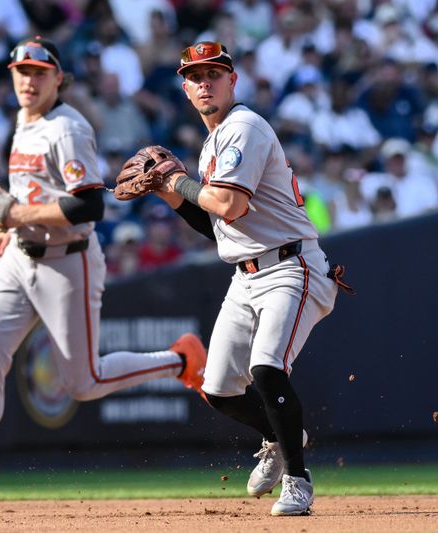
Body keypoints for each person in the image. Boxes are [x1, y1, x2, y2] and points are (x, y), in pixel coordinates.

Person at [0, 37, 206, 506]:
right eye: (21, 72)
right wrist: (8, 227)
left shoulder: (68, 128)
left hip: (68, 261)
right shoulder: (23, 121)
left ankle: (181, 360)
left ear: (59, 78)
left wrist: (16, 215)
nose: (28, 80)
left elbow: (88, 205)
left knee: (82, 382)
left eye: (38, 72)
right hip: (19, 255)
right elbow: (28, 193)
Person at [147, 41, 352, 516]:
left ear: (232, 80)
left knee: (265, 368)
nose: (204, 83)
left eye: (213, 73)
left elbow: (230, 205)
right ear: (184, 87)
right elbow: (218, 224)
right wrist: (171, 197)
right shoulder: (212, 144)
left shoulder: (244, 127)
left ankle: (298, 480)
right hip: (246, 274)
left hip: (291, 267)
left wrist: (177, 182)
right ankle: (281, 436)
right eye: (194, 76)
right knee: (217, 388)